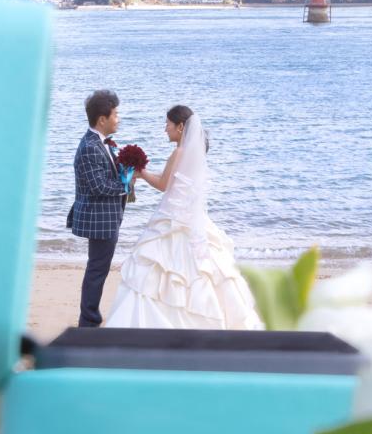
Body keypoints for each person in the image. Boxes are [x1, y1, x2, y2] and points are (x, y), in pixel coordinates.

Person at [106, 105, 262, 330]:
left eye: (168, 124)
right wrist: (143, 173)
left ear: (180, 127)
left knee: (162, 267)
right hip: (187, 213)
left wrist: (141, 173)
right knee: (198, 267)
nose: (165, 129)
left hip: (173, 214)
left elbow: (163, 184)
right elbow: (172, 180)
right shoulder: (191, 153)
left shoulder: (179, 152)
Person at [69, 89, 130, 327]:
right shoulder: (89, 147)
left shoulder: (101, 143)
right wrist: (125, 185)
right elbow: (98, 186)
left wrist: (127, 172)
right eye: (116, 114)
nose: (119, 119)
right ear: (102, 119)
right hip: (99, 220)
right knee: (97, 270)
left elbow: (106, 177)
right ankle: (88, 321)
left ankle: (90, 318)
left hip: (107, 218)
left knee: (98, 268)